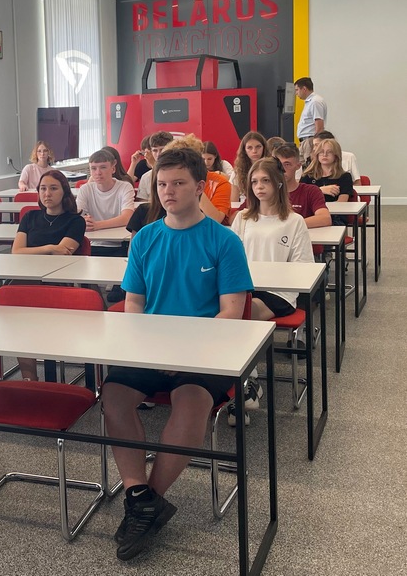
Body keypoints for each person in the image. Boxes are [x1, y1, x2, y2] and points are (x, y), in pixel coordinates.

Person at [102, 147, 252, 562]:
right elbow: (134, 304)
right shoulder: (146, 238)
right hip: (152, 349)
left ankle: (147, 501)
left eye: (179, 183)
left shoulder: (224, 241)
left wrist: (185, 353)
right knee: (114, 395)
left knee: (191, 401)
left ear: (200, 187)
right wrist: (149, 348)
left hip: (206, 351)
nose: (168, 191)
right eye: (162, 184)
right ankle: (139, 495)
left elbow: (230, 311)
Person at [229, 158, 314, 425]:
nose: (259, 186)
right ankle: (237, 383)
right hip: (245, 287)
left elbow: (304, 266)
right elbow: (230, 258)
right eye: (254, 181)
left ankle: (247, 383)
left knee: (243, 314)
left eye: (265, 180)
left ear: (278, 183)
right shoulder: (243, 218)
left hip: (280, 292)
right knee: (222, 310)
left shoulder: (294, 221)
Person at [12, 169, 85, 380]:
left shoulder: (75, 221)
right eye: (43, 188)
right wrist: (50, 247)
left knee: (28, 319)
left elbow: (64, 252)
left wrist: (39, 250)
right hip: (27, 279)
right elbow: (17, 251)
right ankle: (29, 379)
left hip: (57, 281)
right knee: (17, 318)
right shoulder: (30, 217)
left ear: (64, 192)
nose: (47, 194)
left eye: (53, 188)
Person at [77, 150, 135, 258]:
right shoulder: (85, 189)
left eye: (103, 167)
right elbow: (77, 216)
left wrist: (97, 225)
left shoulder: (125, 187)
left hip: (120, 245)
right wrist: (84, 221)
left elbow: (127, 217)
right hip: (92, 243)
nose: (98, 173)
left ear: (113, 169)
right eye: (93, 168)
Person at [274, 143, 332, 228]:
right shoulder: (267, 192)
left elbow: (325, 218)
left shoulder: (311, 191)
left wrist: (289, 226)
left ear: (298, 166)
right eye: (279, 165)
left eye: (287, 164)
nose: (282, 170)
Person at [301, 138, 352, 223]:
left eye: (329, 152)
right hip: (311, 215)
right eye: (321, 152)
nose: (324, 155)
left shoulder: (344, 177)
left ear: (336, 155)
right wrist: (320, 190)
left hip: (335, 217)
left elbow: (341, 203)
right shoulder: (307, 176)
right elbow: (301, 198)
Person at [295, 77, 327, 162]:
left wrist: (316, 145)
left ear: (304, 89)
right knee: (303, 167)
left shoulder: (315, 102)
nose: (296, 93)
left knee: (310, 165)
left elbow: (319, 125)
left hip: (310, 140)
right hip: (305, 141)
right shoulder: (309, 102)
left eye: (297, 90)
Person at [229, 131, 267, 203]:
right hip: (245, 207)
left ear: (264, 148)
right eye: (249, 148)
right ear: (244, 150)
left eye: (258, 147)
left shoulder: (273, 169)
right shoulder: (237, 173)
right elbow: (234, 203)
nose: (254, 151)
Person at [135, 132, 174, 200]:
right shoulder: (145, 177)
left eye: (162, 149)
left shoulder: (182, 172)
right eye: (155, 150)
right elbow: (142, 202)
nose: (158, 154)